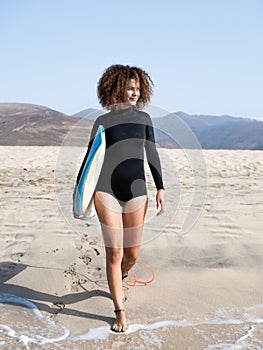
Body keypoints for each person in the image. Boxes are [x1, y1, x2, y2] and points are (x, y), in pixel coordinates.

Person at [76, 64, 165, 332]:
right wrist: (78, 196)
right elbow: (89, 160)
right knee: (113, 252)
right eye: (130, 87)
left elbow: (152, 154)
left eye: (138, 88)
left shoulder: (145, 119)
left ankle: (123, 274)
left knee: (132, 254)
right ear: (116, 89)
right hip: (106, 191)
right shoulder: (102, 122)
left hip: (137, 192)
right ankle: (120, 311)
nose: (135, 92)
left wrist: (160, 187)